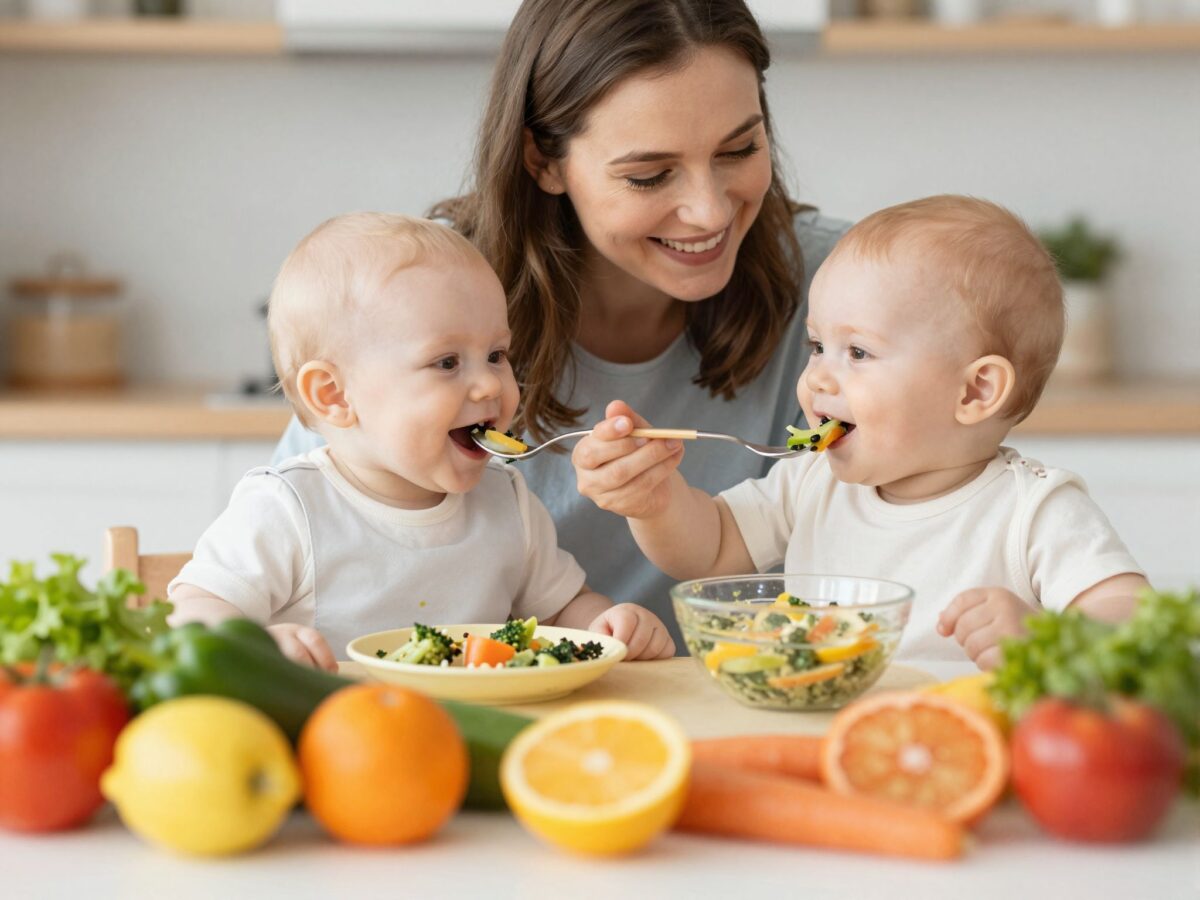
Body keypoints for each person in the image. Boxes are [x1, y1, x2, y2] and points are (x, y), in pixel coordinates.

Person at [272, 0, 848, 647]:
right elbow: (298, 529)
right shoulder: (419, 300)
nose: (708, 210)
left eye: (739, 148)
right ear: (544, 160)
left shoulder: (845, 286)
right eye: (649, 175)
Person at [572, 195, 1148, 668]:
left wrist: (1046, 640)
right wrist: (655, 501)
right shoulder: (811, 481)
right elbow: (711, 548)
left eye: (859, 352)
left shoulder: (1035, 510)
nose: (818, 376)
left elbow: (1131, 616)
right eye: (818, 345)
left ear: (974, 392)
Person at [170, 213, 676, 669]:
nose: (489, 385)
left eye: (497, 355)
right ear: (334, 395)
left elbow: (564, 606)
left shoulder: (509, 501)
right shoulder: (288, 508)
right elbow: (194, 612)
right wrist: (257, 643)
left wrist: (607, 625)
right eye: (447, 363)